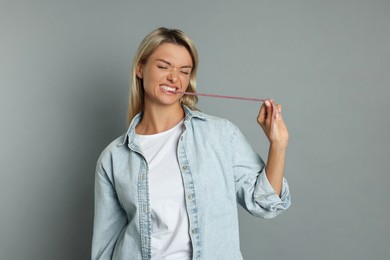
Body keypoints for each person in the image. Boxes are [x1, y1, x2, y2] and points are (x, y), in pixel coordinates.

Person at [91, 27, 291, 260]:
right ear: (140, 68)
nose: (174, 78)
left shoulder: (221, 135)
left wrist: (278, 145)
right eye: (163, 67)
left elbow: (265, 204)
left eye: (184, 71)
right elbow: (105, 247)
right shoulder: (113, 158)